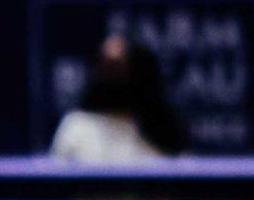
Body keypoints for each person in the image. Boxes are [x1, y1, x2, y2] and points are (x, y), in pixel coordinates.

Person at [50, 35, 185, 163]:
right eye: (106, 68)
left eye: (118, 68)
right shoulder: (76, 128)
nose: (111, 77)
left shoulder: (162, 133)